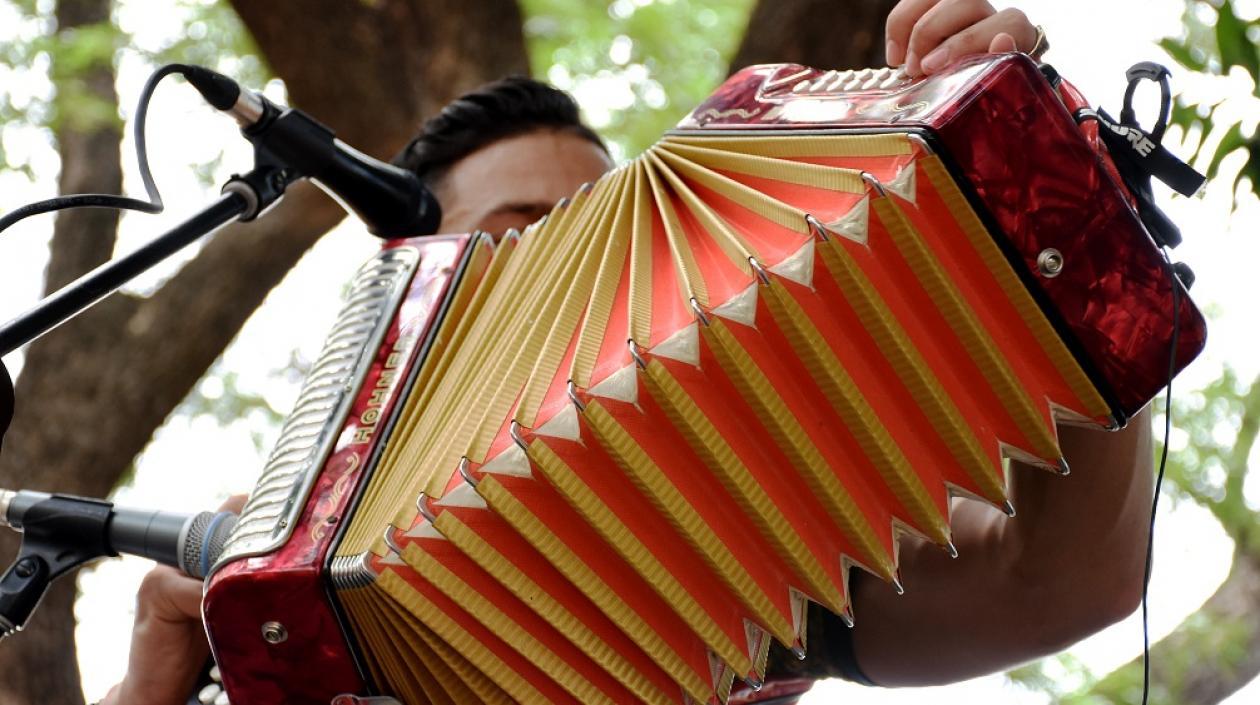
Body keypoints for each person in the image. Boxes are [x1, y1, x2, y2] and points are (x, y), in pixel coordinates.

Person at [100, 1, 1152, 703]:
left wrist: (1064, 236)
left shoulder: (754, 514)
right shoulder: (284, 589)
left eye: (597, 233)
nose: (578, 269)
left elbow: (1059, 583)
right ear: (419, 283)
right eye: (527, 234)